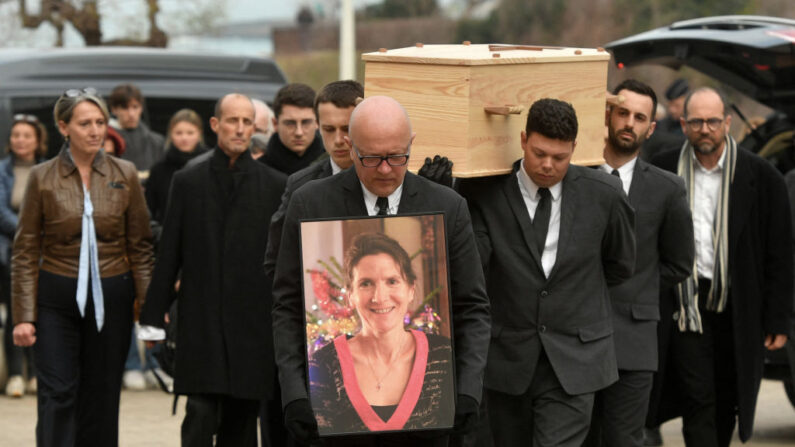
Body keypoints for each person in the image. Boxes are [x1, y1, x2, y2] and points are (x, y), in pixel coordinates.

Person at [272, 95, 490, 446]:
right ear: (350, 146)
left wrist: (467, 391)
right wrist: (296, 394)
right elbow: (287, 306)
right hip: (336, 422)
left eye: (397, 156)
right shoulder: (310, 203)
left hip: (429, 422)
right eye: (371, 158)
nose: (386, 169)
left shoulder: (448, 206)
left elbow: (472, 308)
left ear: (411, 144)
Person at [458, 98, 636, 447]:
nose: (548, 165)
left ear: (574, 148)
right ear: (523, 139)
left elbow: (620, 265)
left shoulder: (605, 194)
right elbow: (473, 269)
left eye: (560, 157)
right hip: (507, 359)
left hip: (576, 358)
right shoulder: (483, 192)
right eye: (539, 153)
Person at [647, 87, 793, 446]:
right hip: (686, 307)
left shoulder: (761, 177)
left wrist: (778, 319)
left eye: (713, 121)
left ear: (727, 122)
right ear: (683, 124)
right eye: (696, 122)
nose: (705, 129)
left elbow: (779, 253)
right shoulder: (663, 170)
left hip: (738, 307)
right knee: (698, 398)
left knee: (728, 397)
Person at [139, 93, 286, 447]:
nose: (239, 129)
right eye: (232, 121)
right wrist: (152, 317)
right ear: (216, 125)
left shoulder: (275, 185)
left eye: (246, 122)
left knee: (242, 420)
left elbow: (283, 261)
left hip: (252, 325)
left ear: (256, 127)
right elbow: (170, 249)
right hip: (200, 321)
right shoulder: (188, 181)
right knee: (200, 415)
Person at [11, 87, 153, 446]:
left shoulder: (126, 173)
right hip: (56, 295)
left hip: (112, 294)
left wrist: (149, 312)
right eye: (85, 123)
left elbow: (140, 247)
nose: (95, 130)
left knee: (102, 395)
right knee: (58, 392)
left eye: (100, 122)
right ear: (63, 127)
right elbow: (26, 248)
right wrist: (23, 315)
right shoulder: (42, 177)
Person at [582, 79, 694, 447]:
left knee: (625, 440)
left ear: (651, 127)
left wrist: (638, 286)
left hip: (635, 340)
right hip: (574, 339)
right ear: (608, 115)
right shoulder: (574, 179)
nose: (630, 123)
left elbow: (679, 264)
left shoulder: (668, 188)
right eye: (623, 113)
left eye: (639, 117)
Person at [309, 232, 454, 434]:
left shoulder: (444, 355)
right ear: (350, 295)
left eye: (392, 281)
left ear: (411, 289)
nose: (379, 297)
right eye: (366, 283)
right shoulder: (322, 365)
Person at [264, 79, 364, 279]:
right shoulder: (301, 185)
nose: (338, 140)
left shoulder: (386, 177)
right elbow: (276, 262)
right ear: (318, 126)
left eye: (346, 129)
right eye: (329, 129)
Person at [0, 113, 47, 398]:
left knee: (42, 313)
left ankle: (37, 375)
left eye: (26, 135)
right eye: (16, 135)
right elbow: (1, 211)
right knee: (17, 313)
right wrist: (26, 231)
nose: (20, 140)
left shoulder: (49, 170)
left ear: (38, 140)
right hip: (9, 251)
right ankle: (16, 374)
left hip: (44, 252)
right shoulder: (2, 170)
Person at [145, 108, 209, 225]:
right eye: (178, 133)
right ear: (171, 134)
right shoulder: (159, 170)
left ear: (199, 134)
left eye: (190, 133)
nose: (184, 138)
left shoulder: (210, 166)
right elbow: (149, 211)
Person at [259, 83, 325, 175]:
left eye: (306, 122)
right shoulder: (257, 173)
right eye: (290, 123)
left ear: (317, 122)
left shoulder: (335, 167)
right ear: (275, 124)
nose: (299, 132)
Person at [108, 83, 165, 173]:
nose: (131, 114)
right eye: (125, 108)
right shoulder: (105, 142)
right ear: (114, 109)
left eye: (135, 107)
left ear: (141, 108)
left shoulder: (156, 142)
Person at [641, 79, 688, 161]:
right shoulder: (662, 124)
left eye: (677, 106)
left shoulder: (692, 126)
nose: (672, 110)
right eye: (670, 105)